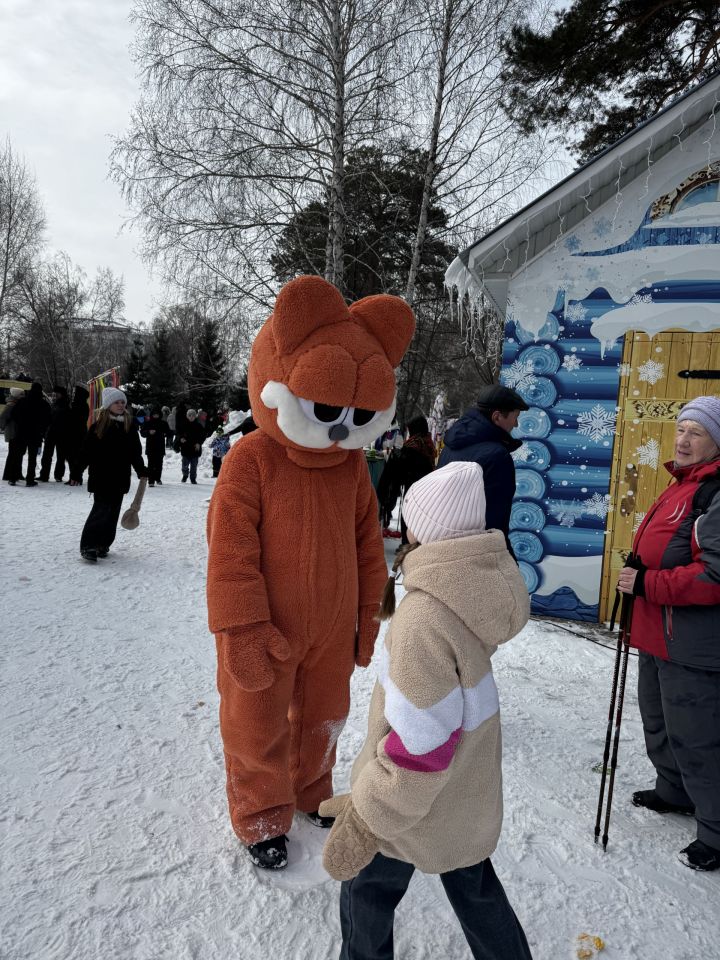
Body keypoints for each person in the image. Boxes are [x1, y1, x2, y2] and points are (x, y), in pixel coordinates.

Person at [206, 274, 414, 870]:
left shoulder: (350, 468)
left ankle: (308, 790)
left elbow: (367, 544)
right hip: (266, 625)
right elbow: (230, 552)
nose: (344, 427)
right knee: (255, 721)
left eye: (358, 413)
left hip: (329, 628)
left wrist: (371, 614)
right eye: (328, 409)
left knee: (325, 715)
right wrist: (241, 628)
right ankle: (260, 812)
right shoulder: (251, 459)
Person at [319, 461, 533, 960]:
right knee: (474, 885)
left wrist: (371, 814)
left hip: (412, 803)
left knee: (367, 887)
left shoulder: (423, 618)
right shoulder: (471, 592)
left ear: (427, 530)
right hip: (465, 789)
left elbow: (422, 749)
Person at [617, 396, 720, 873]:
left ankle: (715, 831)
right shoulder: (681, 485)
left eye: (695, 433)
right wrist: (639, 569)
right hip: (657, 631)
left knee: (697, 736)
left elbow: (714, 576)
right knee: (657, 720)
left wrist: (647, 582)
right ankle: (672, 790)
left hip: (693, 643)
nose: (682, 440)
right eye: (680, 428)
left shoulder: (714, 493)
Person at [438, 384, 529, 556]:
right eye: (515, 417)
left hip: (438, 549)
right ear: (496, 417)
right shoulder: (497, 457)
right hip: (472, 558)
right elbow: (494, 524)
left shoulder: (450, 446)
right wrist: (507, 564)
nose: (516, 424)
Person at [78, 387, 147, 563]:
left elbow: (135, 453)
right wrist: (76, 471)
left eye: (123, 402)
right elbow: (86, 451)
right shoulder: (98, 426)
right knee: (100, 510)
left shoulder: (129, 426)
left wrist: (141, 470)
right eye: (117, 402)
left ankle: (103, 544)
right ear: (108, 404)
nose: (120, 405)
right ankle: (89, 545)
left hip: (120, 477)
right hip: (101, 476)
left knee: (113, 512)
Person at [377, 415, 436, 541]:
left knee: (409, 518)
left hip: (412, 490)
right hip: (427, 490)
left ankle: (407, 544)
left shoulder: (413, 446)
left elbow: (404, 469)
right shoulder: (428, 443)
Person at [10, 381, 51, 486]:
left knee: (18, 455)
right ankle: (30, 479)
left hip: (21, 432)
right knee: (32, 458)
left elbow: (14, 414)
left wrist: (20, 424)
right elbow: (48, 420)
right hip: (35, 434)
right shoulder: (44, 404)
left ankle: (13, 477)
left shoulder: (22, 401)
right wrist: (41, 430)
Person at [38, 385, 70, 482]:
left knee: (58, 456)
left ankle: (55, 475)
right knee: (50, 455)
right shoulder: (57, 404)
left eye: (56, 393)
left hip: (59, 433)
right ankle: (48, 475)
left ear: (61, 394)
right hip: (54, 433)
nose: (54, 395)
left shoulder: (64, 405)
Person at [64, 384, 90, 486]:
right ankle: (73, 477)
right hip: (73, 433)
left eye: (75, 393)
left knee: (76, 457)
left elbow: (77, 420)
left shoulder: (81, 405)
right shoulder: (76, 404)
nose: (74, 394)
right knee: (71, 457)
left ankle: (76, 477)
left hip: (77, 434)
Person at [1, 387, 25, 485]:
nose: (23, 396)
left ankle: (10, 474)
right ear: (16, 395)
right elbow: (2, 417)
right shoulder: (11, 405)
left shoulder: (15, 404)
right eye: (21, 394)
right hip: (13, 432)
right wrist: (3, 426)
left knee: (13, 454)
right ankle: (10, 474)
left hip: (13, 432)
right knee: (14, 454)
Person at [142, 407, 170, 486]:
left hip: (160, 446)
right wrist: (148, 432)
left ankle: (157, 478)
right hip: (150, 446)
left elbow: (169, 432)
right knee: (151, 464)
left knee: (159, 464)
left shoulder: (163, 423)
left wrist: (165, 433)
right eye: (154, 415)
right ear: (152, 415)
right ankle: (151, 480)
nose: (156, 416)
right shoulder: (148, 423)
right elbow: (142, 433)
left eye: (157, 415)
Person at [179, 408, 205, 483]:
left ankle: (193, 478)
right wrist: (181, 438)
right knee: (185, 464)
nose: (191, 417)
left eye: (193, 416)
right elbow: (179, 434)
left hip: (195, 448)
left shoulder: (199, 426)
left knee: (194, 465)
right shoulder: (184, 425)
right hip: (185, 448)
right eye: (189, 415)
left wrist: (199, 443)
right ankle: (185, 475)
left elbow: (202, 436)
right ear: (187, 416)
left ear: (195, 416)